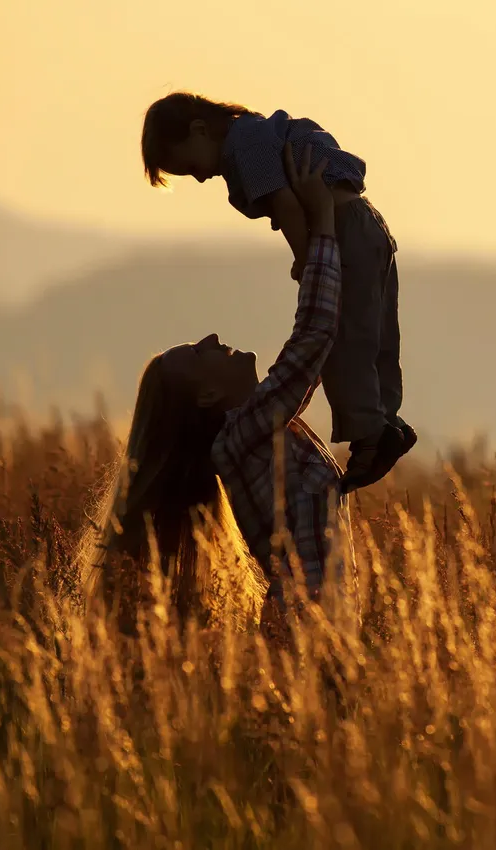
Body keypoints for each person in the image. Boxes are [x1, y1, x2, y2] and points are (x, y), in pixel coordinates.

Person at [86, 143, 351, 625]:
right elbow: (313, 337)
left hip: (315, 641)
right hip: (304, 641)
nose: (210, 337)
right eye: (197, 353)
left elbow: (320, 343)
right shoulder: (241, 437)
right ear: (207, 396)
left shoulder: (268, 433)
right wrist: (323, 225)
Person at [140, 91, 413, 493]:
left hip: (340, 227)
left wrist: (309, 263)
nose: (199, 177)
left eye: (191, 166)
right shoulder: (258, 132)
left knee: (345, 341)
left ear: (200, 131)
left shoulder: (243, 152)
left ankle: (371, 435)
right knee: (376, 334)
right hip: (366, 221)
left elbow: (285, 205)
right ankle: (388, 420)